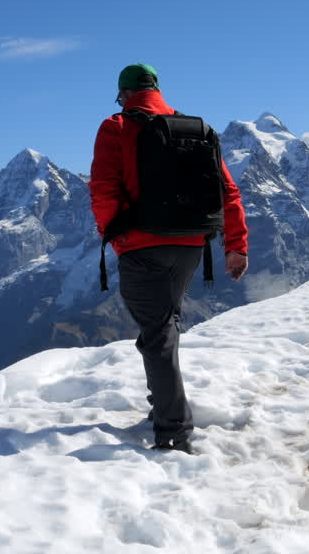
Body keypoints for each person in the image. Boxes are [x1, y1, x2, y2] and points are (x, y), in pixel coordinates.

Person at [89, 63, 249, 454]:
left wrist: (115, 235)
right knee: (163, 328)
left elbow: (104, 190)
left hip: (142, 245)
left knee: (158, 335)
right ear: (157, 89)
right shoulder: (196, 130)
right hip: (191, 246)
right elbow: (227, 190)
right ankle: (164, 407)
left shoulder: (117, 128)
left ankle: (173, 431)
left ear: (125, 94)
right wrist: (236, 244)